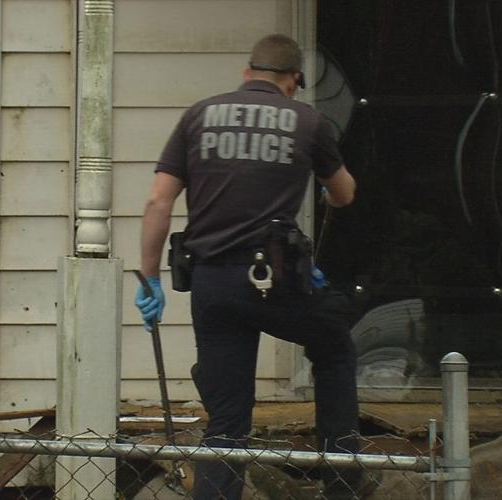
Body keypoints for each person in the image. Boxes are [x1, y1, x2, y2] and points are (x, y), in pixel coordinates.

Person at [135, 34, 363, 499]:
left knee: (227, 422)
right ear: (294, 81)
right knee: (334, 345)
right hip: (277, 281)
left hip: (212, 285)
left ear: (246, 73)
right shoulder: (309, 122)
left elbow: (159, 200)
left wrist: (149, 278)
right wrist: (325, 187)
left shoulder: (198, 116)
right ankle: (341, 481)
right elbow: (345, 193)